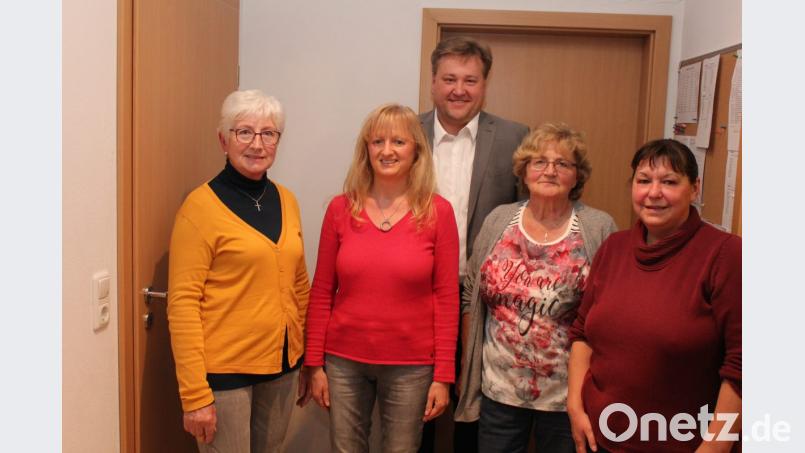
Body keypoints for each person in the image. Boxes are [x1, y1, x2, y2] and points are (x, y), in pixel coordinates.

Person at [302, 103, 460, 453]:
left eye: (398, 142)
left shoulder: (438, 213)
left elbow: (447, 298)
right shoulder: (340, 209)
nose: (387, 151)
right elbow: (323, 290)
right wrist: (314, 364)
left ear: (416, 150)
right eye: (377, 142)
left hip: (412, 366)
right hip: (343, 361)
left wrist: (443, 376)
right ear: (366, 150)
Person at [567, 139, 742, 453]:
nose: (654, 193)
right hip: (600, 437)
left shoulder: (725, 254)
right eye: (644, 180)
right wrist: (575, 406)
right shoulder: (614, 247)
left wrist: (715, 446)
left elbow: (743, 364)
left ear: (695, 188)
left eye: (670, 182)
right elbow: (582, 332)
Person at [455, 123, 617, 453]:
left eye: (563, 163)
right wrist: (468, 369)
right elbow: (471, 293)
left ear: (577, 176)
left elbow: (610, 312)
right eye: (539, 161)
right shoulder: (498, 220)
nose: (550, 170)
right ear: (524, 171)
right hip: (498, 391)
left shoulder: (599, 228)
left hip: (566, 398)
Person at [167, 89, 310, 453]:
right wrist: (194, 395)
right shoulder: (199, 208)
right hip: (224, 377)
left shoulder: (287, 200)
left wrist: (305, 356)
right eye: (244, 132)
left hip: (282, 367)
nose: (257, 144)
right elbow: (182, 304)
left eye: (268, 133)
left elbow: (298, 284)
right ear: (223, 140)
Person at [419, 35, 529, 453]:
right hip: (418, 297)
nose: (459, 90)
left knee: (475, 413)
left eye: (470, 80)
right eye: (449, 79)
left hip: (484, 304)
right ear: (433, 82)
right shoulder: (404, 134)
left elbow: (526, 217)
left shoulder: (515, 137)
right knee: (416, 412)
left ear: (485, 84)